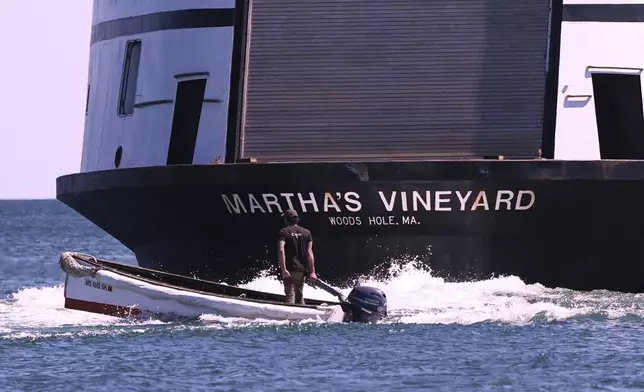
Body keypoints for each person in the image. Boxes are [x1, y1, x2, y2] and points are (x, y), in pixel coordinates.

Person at [277, 209, 317, 304]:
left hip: (290, 269)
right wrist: (312, 272)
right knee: (299, 296)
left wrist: (283, 269)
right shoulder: (307, 233)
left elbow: (281, 249)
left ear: (286, 220)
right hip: (302, 270)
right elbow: (309, 252)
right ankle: (303, 316)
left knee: (290, 295)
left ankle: (290, 317)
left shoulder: (283, 232)